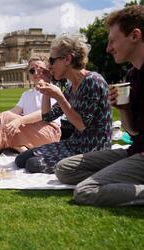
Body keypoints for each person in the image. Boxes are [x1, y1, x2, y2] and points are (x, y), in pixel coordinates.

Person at [55, 5, 144, 206]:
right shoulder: (132, 76)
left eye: (113, 41)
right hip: (134, 150)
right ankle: (120, 177)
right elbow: (133, 131)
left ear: (135, 35)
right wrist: (123, 108)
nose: (108, 48)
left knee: (86, 191)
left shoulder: (92, 80)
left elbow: (82, 125)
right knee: (65, 169)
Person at [15, 34, 112, 174]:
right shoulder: (71, 85)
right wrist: (46, 88)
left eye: (52, 60)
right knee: (21, 159)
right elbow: (47, 116)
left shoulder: (93, 81)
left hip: (93, 149)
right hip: (75, 144)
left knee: (33, 164)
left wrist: (60, 97)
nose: (49, 66)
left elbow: (81, 125)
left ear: (68, 59)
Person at [0, 57, 61, 155]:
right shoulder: (26, 94)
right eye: (32, 70)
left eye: (40, 69)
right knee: (4, 123)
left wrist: (20, 121)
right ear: (29, 74)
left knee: (7, 121)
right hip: (32, 132)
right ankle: (22, 149)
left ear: (47, 71)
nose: (36, 73)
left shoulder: (53, 89)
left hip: (49, 133)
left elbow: (43, 114)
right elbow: (14, 111)